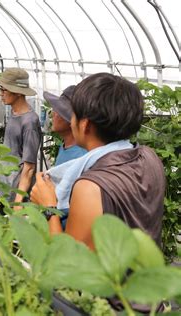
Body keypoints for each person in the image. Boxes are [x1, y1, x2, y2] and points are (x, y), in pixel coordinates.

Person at [31, 73, 165, 249]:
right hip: (145, 273)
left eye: (73, 115)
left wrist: (49, 207)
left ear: (85, 124)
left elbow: (70, 261)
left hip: (110, 277)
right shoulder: (149, 158)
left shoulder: (90, 186)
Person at [0, 68, 41, 205]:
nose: (0, 94)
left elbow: (29, 166)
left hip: (15, 194)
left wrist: (18, 201)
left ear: (18, 92)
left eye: (4, 89)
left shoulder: (29, 122)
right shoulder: (14, 113)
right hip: (4, 187)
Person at [43, 85, 87, 225]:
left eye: (59, 111)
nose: (53, 113)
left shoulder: (81, 157)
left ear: (71, 121)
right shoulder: (65, 146)